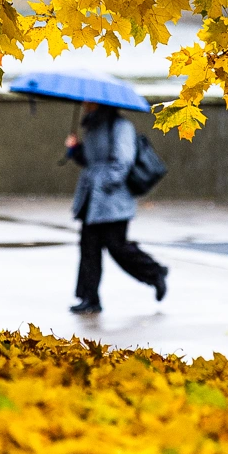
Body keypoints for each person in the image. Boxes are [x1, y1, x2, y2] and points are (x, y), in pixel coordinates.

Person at [64, 102, 168, 314]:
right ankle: (89, 298)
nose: (85, 104)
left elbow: (124, 160)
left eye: (89, 102)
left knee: (117, 247)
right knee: (88, 248)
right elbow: (91, 160)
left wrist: (104, 183)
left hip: (113, 200)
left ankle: (155, 273)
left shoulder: (121, 126)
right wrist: (75, 149)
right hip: (92, 199)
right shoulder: (92, 126)